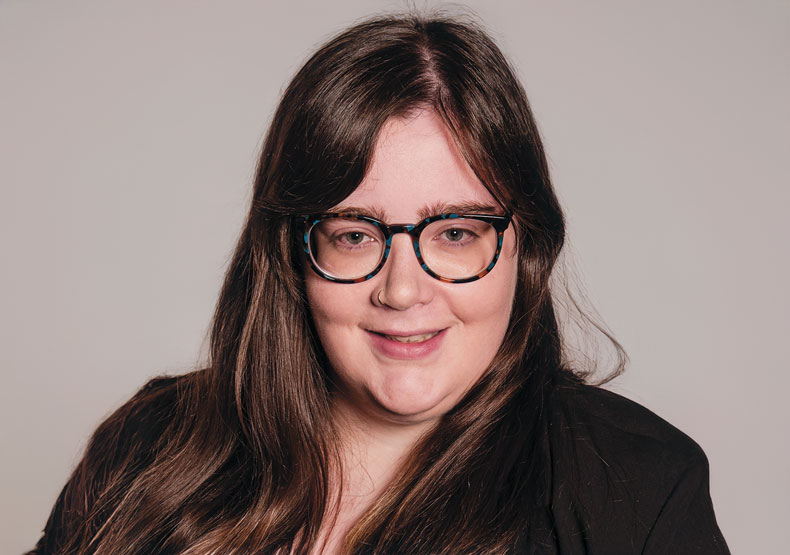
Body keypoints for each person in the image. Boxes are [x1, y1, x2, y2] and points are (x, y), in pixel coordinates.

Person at [29, 13, 729, 555]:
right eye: (355, 235)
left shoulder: (635, 487)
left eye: (456, 233)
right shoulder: (149, 448)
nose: (402, 290)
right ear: (294, 252)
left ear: (527, 244)